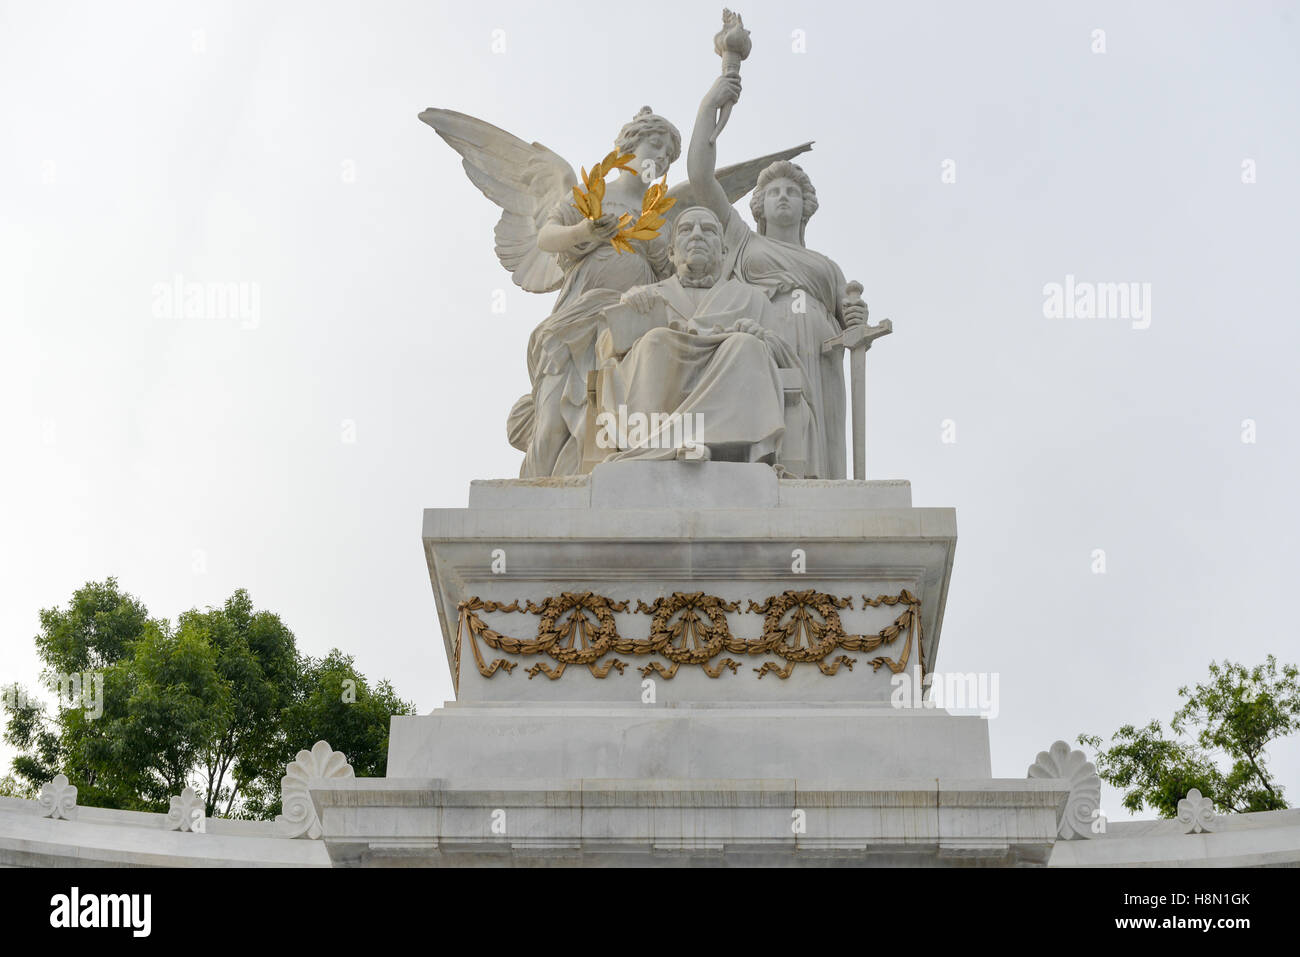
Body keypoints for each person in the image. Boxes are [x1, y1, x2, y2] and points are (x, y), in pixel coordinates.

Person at [686, 76, 867, 478]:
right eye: (774, 192)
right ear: (760, 207)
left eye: (792, 192)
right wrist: (709, 105)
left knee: (819, 434)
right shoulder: (742, 241)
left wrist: (854, 316)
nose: (783, 196)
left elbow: (848, 315)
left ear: (807, 208)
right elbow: (700, 176)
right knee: (773, 422)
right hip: (765, 335)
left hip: (821, 349)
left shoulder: (826, 266)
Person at [595, 206, 810, 465]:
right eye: (686, 230)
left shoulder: (751, 297)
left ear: (723, 251)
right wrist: (629, 308)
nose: (697, 235)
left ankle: (703, 440)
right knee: (656, 341)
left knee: (746, 346)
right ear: (671, 253)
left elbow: (785, 354)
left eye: (708, 230)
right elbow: (607, 350)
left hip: (728, 370)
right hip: (666, 371)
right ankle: (656, 444)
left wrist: (761, 336)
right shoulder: (648, 295)